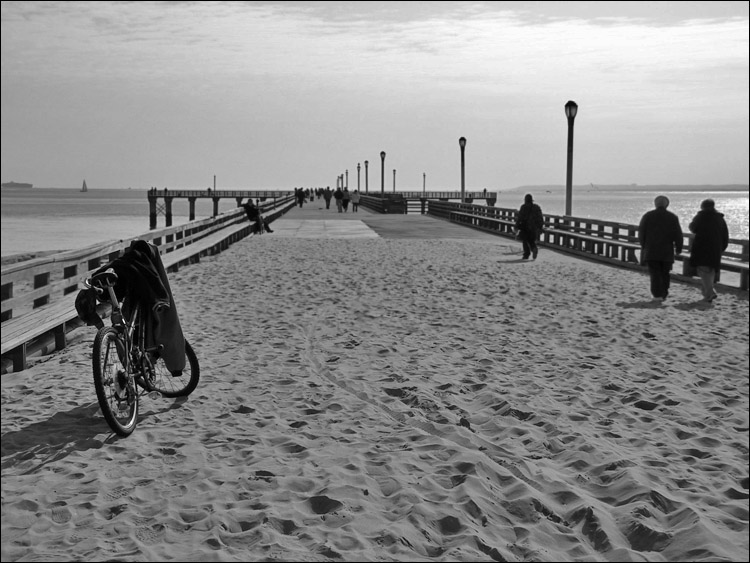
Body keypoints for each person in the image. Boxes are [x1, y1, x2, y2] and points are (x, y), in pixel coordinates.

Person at [638, 195, 683, 302]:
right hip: (667, 250)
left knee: (654, 273)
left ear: (655, 204)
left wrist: (644, 246)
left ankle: (657, 294)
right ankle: (664, 292)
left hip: (651, 249)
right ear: (667, 204)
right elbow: (678, 234)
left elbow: (641, 232)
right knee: (665, 273)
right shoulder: (672, 217)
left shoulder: (648, 216)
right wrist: (679, 248)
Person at [688, 198, 729, 303]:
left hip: (702, 247)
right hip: (715, 249)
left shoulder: (701, 216)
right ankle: (708, 293)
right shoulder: (720, 218)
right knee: (710, 270)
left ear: (703, 206)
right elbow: (725, 235)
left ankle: (710, 293)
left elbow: (692, 228)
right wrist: (722, 248)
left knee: (703, 270)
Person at [514, 194, 544, 260]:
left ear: (525, 200)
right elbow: (541, 218)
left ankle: (526, 254)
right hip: (534, 228)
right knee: (531, 240)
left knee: (525, 240)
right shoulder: (537, 207)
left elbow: (520, 218)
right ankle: (534, 248)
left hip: (526, 227)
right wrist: (540, 227)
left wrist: (516, 226)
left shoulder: (523, 207)